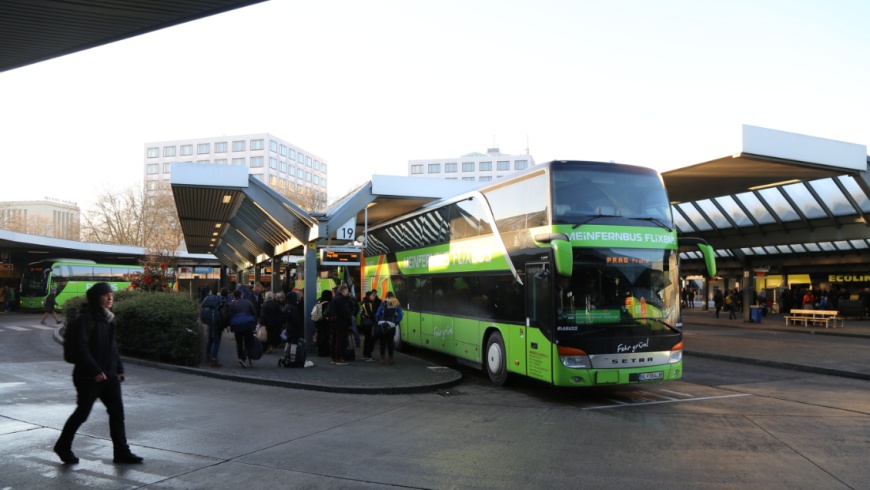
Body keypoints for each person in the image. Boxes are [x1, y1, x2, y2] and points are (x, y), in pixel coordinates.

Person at [54, 282, 143, 465]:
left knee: (117, 413)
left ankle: (121, 453)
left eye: (112, 295)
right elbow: (81, 347)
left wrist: (119, 368)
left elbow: (112, 347)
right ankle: (63, 446)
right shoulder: (85, 319)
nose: (110, 298)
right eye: (105, 295)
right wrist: (95, 370)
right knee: (82, 413)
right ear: (96, 298)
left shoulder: (108, 318)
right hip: (88, 377)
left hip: (109, 375)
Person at [228, 288, 258, 368]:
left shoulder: (233, 304)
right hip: (247, 325)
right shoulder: (248, 302)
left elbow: (230, 315)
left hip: (237, 326)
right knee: (248, 342)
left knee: (239, 343)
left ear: (234, 296)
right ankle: (245, 357)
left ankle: (240, 358)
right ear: (241, 295)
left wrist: (231, 326)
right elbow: (254, 313)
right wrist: (254, 324)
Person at [327, 284, 354, 365]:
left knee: (334, 340)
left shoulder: (335, 298)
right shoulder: (342, 299)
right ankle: (339, 358)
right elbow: (345, 312)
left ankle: (333, 357)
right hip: (341, 323)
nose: (348, 293)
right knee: (340, 341)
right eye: (347, 291)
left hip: (334, 322)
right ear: (343, 291)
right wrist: (349, 319)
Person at [374, 291, 403, 364]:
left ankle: (382, 358)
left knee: (382, 343)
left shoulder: (383, 303)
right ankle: (391, 358)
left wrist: (379, 321)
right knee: (390, 343)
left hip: (383, 325)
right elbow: (400, 315)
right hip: (392, 325)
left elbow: (377, 314)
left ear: (386, 296)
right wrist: (396, 322)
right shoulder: (396, 303)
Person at [200, 291, 224, 367]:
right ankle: (214, 359)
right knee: (217, 341)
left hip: (210, 322)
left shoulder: (210, 301)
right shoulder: (222, 301)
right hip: (217, 323)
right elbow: (224, 313)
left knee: (210, 340)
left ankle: (207, 356)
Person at [359, 290, 381, 361]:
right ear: (368, 296)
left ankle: (365, 354)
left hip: (365, 323)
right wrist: (375, 320)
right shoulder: (367, 303)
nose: (373, 297)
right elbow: (369, 313)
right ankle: (368, 355)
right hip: (368, 323)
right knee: (369, 339)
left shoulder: (364, 302)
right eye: (372, 296)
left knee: (367, 339)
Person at [314, 290, 333, 357]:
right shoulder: (327, 303)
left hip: (318, 322)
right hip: (325, 322)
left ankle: (320, 351)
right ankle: (326, 351)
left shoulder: (319, 301)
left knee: (320, 336)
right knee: (325, 337)